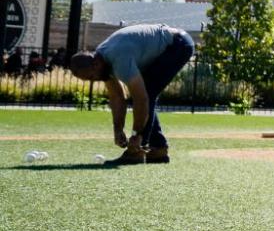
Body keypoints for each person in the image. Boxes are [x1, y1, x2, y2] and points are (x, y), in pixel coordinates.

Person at [68, 22, 197, 164]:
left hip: (178, 44)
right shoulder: (102, 61)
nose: (93, 81)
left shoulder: (118, 59)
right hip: (168, 44)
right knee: (147, 91)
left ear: (95, 64)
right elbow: (117, 97)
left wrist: (136, 135)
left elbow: (141, 99)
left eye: (92, 77)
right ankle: (158, 149)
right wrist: (118, 130)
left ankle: (138, 149)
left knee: (147, 92)